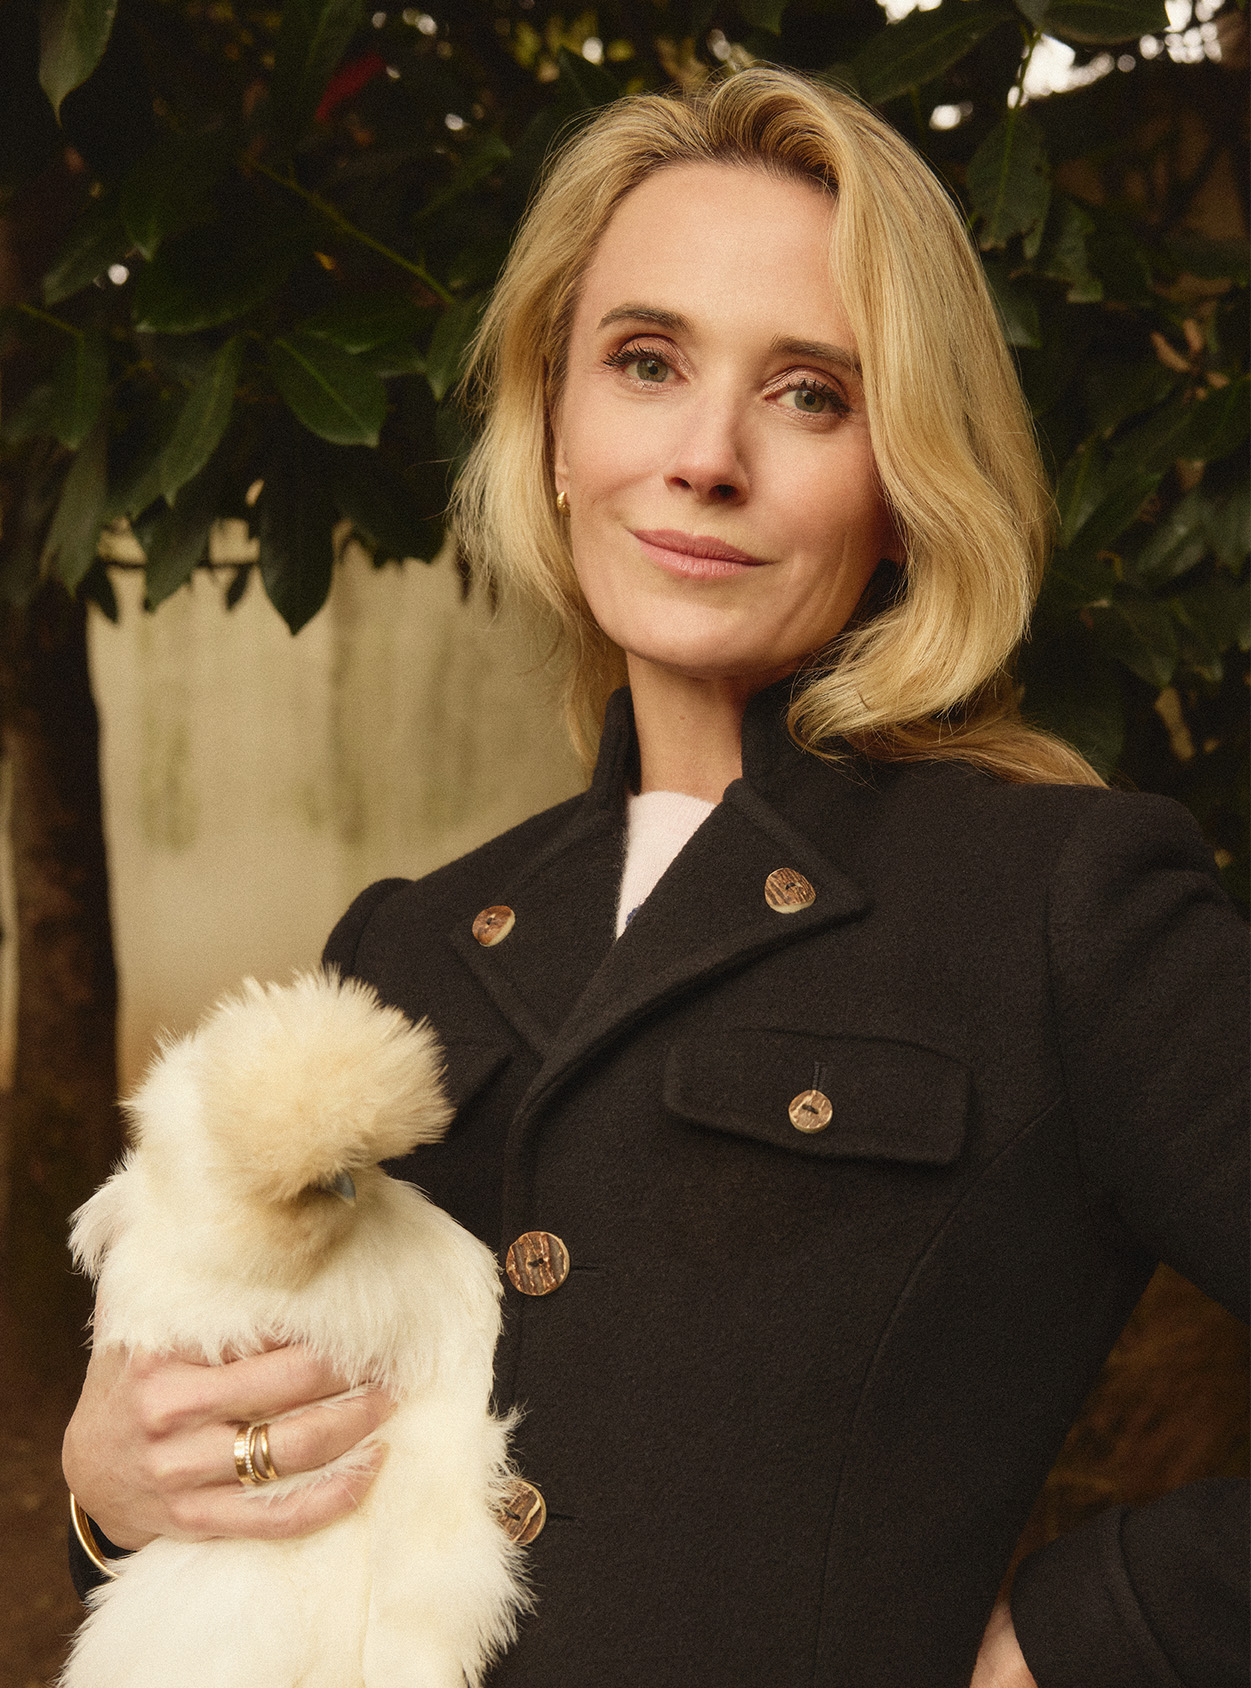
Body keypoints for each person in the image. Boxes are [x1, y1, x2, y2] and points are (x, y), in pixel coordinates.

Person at [63, 67, 1247, 1688]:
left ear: (906, 484)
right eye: (645, 362)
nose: (706, 455)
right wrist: (115, 1506)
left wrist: (1090, 1639)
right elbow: (267, 1494)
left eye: (812, 394)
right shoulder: (406, 941)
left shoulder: (1061, 904)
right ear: (555, 425)